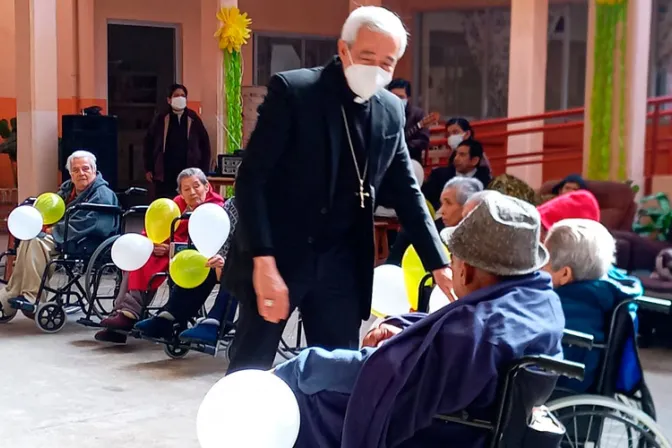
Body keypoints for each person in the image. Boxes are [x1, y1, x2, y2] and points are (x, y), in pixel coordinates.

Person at [224, 6, 452, 373]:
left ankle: (322, 433)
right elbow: (252, 179)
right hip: (280, 256)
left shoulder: (392, 110)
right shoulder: (295, 91)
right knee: (250, 369)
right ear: (343, 50)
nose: (376, 69)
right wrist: (262, 260)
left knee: (338, 374)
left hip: (344, 265)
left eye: (387, 62)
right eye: (367, 57)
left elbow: (407, 191)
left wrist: (438, 262)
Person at [273, 193, 564, 447]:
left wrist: (303, 368)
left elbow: (381, 377)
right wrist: (404, 331)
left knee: (309, 389)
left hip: (443, 432)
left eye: (454, 257)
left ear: (469, 271)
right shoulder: (537, 300)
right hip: (473, 419)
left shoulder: (475, 333)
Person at [94, 168, 224, 344]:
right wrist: (152, 242)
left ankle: (128, 316)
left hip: (189, 254)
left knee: (152, 263)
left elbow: (205, 239)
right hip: (165, 249)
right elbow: (157, 223)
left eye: (196, 186)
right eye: (186, 189)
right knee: (138, 258)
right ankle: (122, 315)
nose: (192, 192)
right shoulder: (177, 203)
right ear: (181, 192)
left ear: (207, 187)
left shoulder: (215, 208)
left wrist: (171, 245)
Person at [0, 151, 119, 319]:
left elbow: (93, 224)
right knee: (28, 239)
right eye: (75, 170)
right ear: (70, 174)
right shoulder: (67, 190)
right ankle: (12, 295)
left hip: (85, 242)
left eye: (85, 169)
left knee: (37, 242)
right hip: (63, 238)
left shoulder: (103, 195)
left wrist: (54, 230)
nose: (81, 173)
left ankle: (31, 296)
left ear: (94, 170)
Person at [543, 218, 643, 393]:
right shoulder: (594, 294)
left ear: (565, 274)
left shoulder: (571, 305)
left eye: (544, 262)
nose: (539, 267)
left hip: (560, 386)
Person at [133, 197, 240, 345]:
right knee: (199, 263)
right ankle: (170, 316)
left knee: (236, 270)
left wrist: (228, 262)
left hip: (260, 262)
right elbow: (223, 237)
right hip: (227, 255)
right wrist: (220, 256)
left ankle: (216, 322)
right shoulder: (233, 204)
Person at [386, 177, 483, 266]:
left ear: (468, 206)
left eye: (448, 203)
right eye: (442, 203)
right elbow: (391, 267)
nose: (441, 211)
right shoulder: (419, 232)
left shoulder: (483, 240)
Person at [144, 84, 212, 199]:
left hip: (188, 169)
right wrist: (148, 168)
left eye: (183, 95)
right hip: (165, 172)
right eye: (176, 95)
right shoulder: (161, 118)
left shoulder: (193, 118)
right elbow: (148, 143)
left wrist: (204, 170)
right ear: (169, 100)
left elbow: (205, 145)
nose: (180, 98)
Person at [423, 139, 492, 210]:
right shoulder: (438, 176)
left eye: (462, 155)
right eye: (456, 154)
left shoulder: (487, 183)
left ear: (474, 160)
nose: (456, 158)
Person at [386, 78, 430, 164]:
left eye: (401, 97)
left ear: (408, 97)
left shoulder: (418, 114)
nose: (396, 99)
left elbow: (424, 141)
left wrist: (403, 146)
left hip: (410, 160)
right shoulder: (382, 113)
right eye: (393, 96)